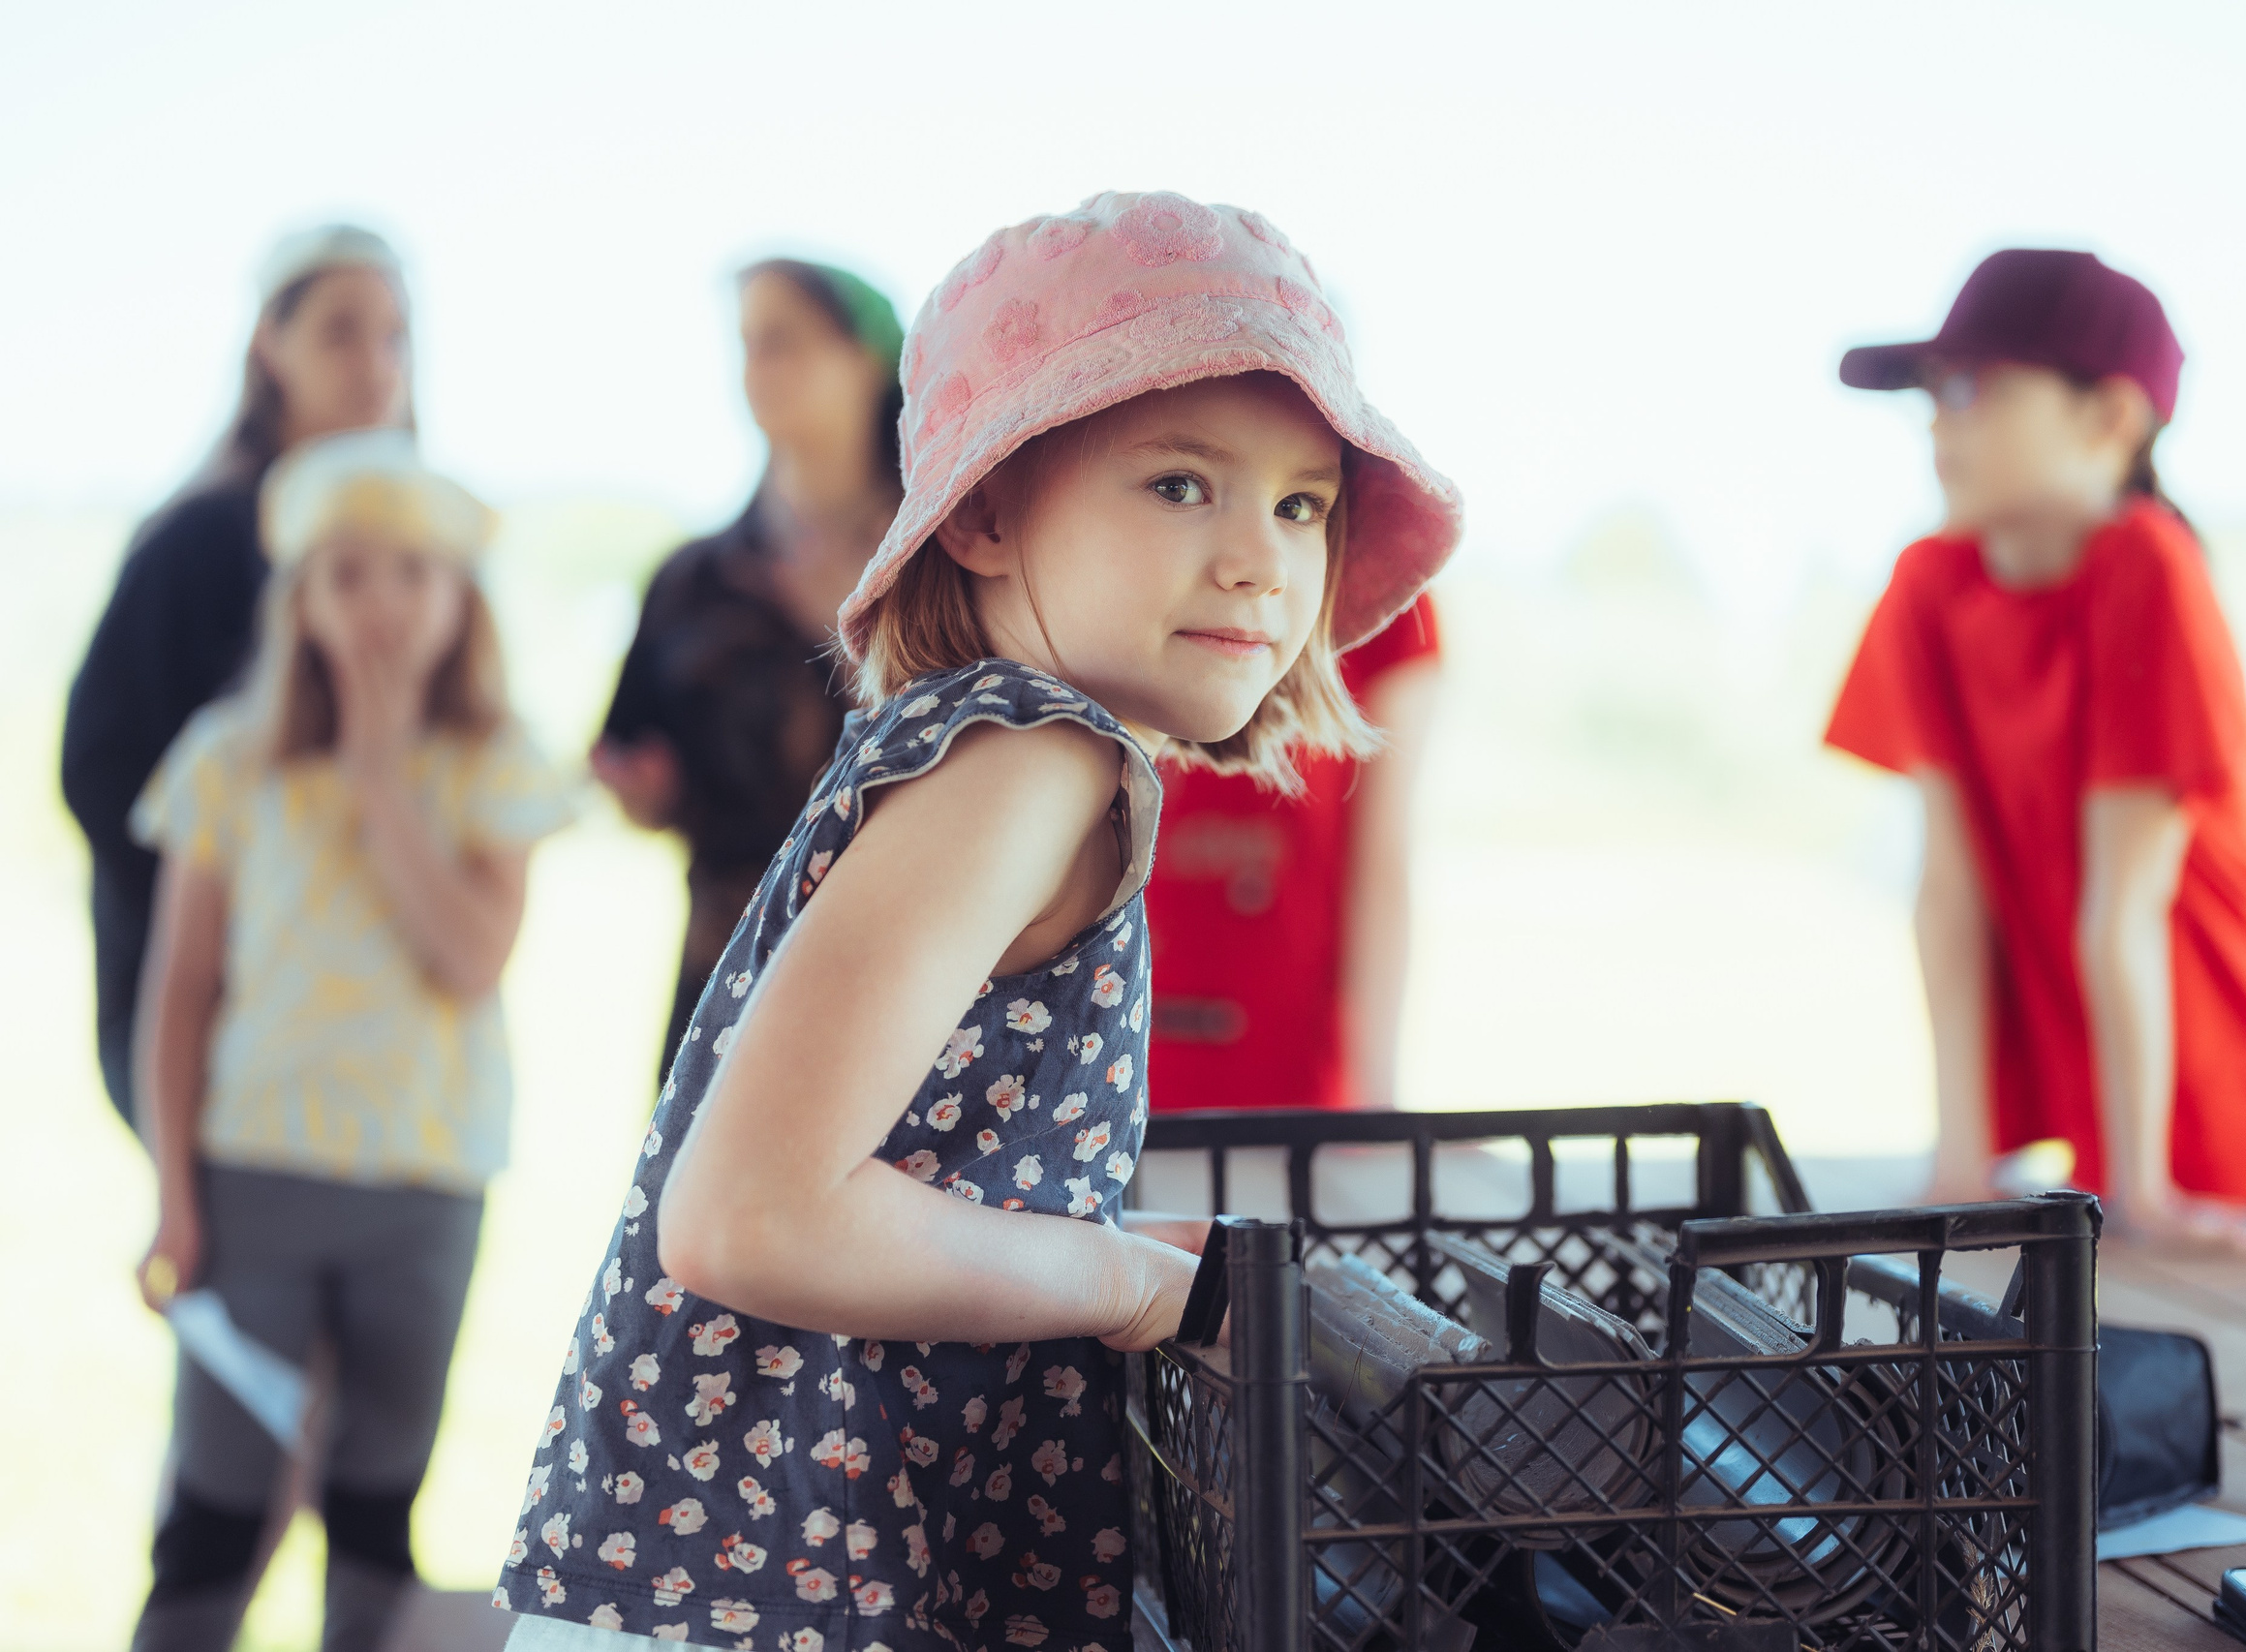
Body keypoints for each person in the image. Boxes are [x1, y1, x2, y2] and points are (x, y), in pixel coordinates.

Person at [494, 191, 1461, 1650]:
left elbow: (902, 1158)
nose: (1261, 555)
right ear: (993, 508)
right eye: (1182, 484)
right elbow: (750, 1212)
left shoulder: (998, 749)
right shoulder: (1032, 763)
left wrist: (1105, 1227)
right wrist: (1126, 1282)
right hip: (765, 1603)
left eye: (1302, 502)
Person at [1825, 249, 2246, 1299]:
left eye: (1972, 387)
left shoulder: (2147, 565)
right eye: (1930, 392)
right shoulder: (1927, 586)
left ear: (2109, 419)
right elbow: (1949, 891)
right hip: (2123, 1179)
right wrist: (1962, 1160)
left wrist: (2143, 1192)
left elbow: (2122, 908)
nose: (1935, 421)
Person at [127, 432, 573, 1651]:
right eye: (349, 572)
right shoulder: (228, 763)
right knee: (214, 1507)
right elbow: (179, 991)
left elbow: (474, 957)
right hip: (252, 1174)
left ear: (460, 600)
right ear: (301, 596)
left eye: (413, 573)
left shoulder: (494, 763)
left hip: (424, 1186)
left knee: (376, 1504)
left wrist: (383, 780)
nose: (381, 602)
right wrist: (173, 1187)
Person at [63, 225, 414, 1131]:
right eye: (340, 331)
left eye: (393, 335)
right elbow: (101, 769)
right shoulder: (200, 537)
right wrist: (219, 930)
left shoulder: (415, 552)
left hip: (369, 1031)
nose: (374, 364)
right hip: (214, 1016)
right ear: (271, 344)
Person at [591, 260, 906, 1074]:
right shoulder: (691, 578)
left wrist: (851, 637)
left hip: (909, 978)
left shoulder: (953, 561)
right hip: (723, 981)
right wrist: (642, 795)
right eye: (748, 344)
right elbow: (628, 756)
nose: (758, 369)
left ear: (869, 356)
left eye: (785, 341)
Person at [1147, 591, 1442, 1111]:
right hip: (1101, 1081)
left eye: (1297, 507)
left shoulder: (1395, 609)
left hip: (1291, 1074)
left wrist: (1378, 1097)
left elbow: (1382, 859)